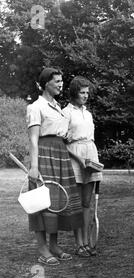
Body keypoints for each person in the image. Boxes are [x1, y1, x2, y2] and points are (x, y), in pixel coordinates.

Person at [27, 67, 84, 266]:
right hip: (44, 155)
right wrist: (34, 167)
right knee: (42, 202)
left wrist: (65, 136)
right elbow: (34, 139)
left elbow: (57, 131)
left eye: (61, 81)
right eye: (56, 81)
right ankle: (43, 249)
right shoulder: (36, 107)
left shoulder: (58, 107)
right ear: (45, 84)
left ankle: (54, 246)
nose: (61, 84)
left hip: (60, 153)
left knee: (59, 200)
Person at [62, 76, 103, 257]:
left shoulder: (88, 113)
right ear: (74, 93)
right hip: (75, 157)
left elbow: (90, 138)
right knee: (77, 205)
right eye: (82, 92)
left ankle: (87, 242)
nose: (86, 96)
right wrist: (78, 159)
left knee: (87, 204)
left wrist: (93, 160)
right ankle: (78, 244)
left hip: (90, 155)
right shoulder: (66, 112)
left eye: (87, 93)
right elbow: (62, 142)